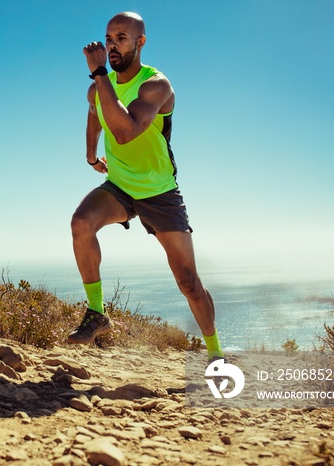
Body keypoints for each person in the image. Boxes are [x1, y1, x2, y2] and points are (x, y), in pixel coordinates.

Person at [67, 12, 223, 361]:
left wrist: (99, 74)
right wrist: (92, 157)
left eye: (121, 38)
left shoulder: (156, 85)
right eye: (108, 38)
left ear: (141, 42)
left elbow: (123, 131)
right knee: (81, 223)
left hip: (159, 190)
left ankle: (215, 355)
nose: (112, 45)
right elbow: (95, 114)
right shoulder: (98, 89)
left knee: (188, 282)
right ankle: (96, 312)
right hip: (120, 185)